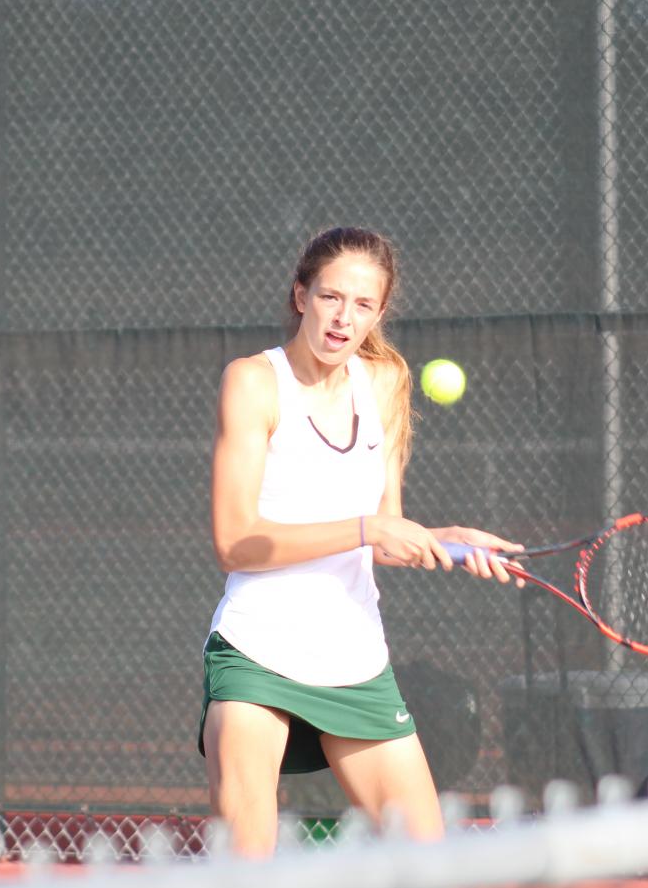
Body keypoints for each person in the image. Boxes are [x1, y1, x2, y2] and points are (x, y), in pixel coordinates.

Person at [197, 227, 522, 857]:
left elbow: (384, 527)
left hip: (354, 657)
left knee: (432, 865)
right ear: (301, 295)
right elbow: (234, 543)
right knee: (246, 865)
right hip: (257, 650)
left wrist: (445, 540)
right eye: (331, 298)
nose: (345, 319)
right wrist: (370, 529)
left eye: (365, 305)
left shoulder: (385, 383)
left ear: (379, 312)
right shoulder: (253, 382)